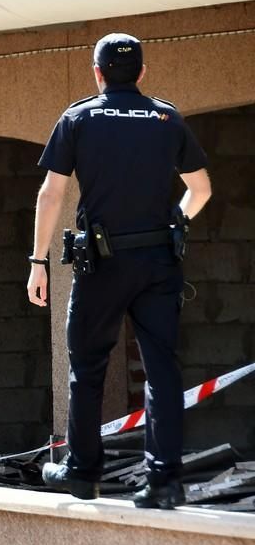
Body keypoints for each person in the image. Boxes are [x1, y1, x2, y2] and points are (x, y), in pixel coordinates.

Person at [27, 33, 213, 509]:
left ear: (97, 72)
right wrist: (176, 223)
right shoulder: (166, 117)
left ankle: (83, 474)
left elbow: (51, 194)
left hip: (103, 265)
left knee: (87, 369)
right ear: (143, 73)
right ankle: (164, 483)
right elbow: (201, 189)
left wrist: (38, 260)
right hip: (158, 263)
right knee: (162, 371)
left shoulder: (79, 117)